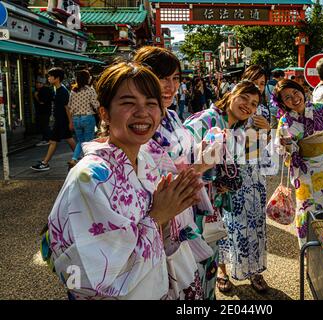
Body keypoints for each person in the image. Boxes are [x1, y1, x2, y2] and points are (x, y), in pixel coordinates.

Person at [44, 62, 203, 299]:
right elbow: (88, 273)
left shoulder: (147, 159)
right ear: (104, 113)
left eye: (151, 103)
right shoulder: (89, 177)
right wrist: (158, 216)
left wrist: (171, 215)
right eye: (128, 102)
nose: (142, 112)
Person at [134, 46, 215, 299]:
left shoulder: (170, 115)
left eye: (176, 78)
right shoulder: (139, 122)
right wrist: (199, 166)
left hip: (183, 210)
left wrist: (199, 156)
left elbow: (184, 158)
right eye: (163, 78)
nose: (171, 86)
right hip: (157, 216)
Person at [184, 80, 261, 296]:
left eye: (254, 103)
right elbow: (180, 158)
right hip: (192, 205)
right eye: (244, 98)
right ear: (230, 94)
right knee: (192, 267)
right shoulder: (206, 120)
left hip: (212, 205)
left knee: (208, 260)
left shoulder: (235, 127)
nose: (248, 105)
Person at [216, 65, 271, 293]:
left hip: (254, 175)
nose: (257, 88)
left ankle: (255, 271)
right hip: (230, 175)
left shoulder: (263, 113)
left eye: (261, 84)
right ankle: (222, 269)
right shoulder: (226, 113)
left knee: (256, 224)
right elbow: (222, 147)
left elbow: (263, 148)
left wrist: (267, 131)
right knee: (226, 222)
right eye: (253, 82)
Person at [273, 79, 323, 247]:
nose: (294, 98)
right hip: (303, 172)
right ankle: (308, 252)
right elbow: (281, 150)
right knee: (304, 211)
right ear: (283, 103)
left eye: (295, 92)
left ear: (302, 90)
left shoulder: (322, 109)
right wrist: (287, 147)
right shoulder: (285, 121)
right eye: (287, 98)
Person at [31, 67, 76, 171]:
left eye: (50, 76)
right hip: (61, 120)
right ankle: (81, 158)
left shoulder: (62, 91)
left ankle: (45, 163)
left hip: (62, 120)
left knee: (53, 141)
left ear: (57, 78)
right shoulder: (57, 89)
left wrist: (70, 122)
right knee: (68, 139)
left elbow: (67, 108)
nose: (48, 78)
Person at [67, 70, 100, 169]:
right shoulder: (90, 90)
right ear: (87, 78)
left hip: (76, 118)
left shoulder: (73, 91)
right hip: (88, 117)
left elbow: (70, 106)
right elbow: (96, 104)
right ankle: (88, 161)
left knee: (80, 141)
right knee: (89, 141)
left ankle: (74, 159)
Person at [34, 77, 54, 146]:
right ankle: (46, 139)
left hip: (43, 111)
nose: (36, 84)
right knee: (45, 125)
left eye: (37, 83)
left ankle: (46, 139)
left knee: (44, 125)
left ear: (41, 84)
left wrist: (36, 96)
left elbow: (42, 102)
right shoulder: (47, 90)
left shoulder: (43, 91)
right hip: (46, 110)